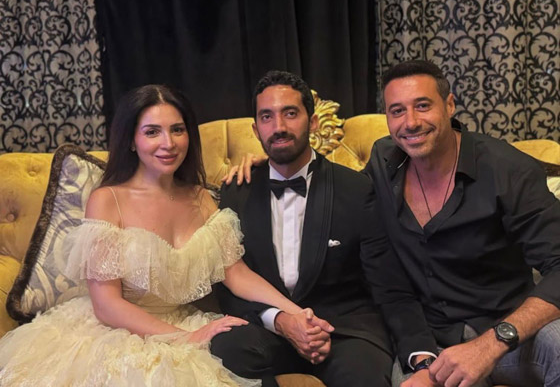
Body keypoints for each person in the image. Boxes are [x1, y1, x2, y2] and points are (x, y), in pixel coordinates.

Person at [0, 84, 320, 386]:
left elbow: (237, 274)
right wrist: (185, 338)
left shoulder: (201, 198)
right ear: (131, 140)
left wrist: (297, 313)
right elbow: (107, 305)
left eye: (177, 130)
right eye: (152, 132)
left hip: (187, 320)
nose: (168, 143)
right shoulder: (108, 200)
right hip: (120, 331)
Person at [366, 60, 560, 387]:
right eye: (397, 111)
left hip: (512, 333)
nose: (410, 122)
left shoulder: (508, 169)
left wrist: (492, 343)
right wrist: (423, 361)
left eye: (423, 106)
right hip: (432, 342)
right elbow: (385, 278)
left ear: (450, 105)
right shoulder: (382, 164)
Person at [211, 71, 393, 387]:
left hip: (341, 331)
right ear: (255, 129)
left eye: (290, 113)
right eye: (267, 117)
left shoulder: (356, 189)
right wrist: (280, 320)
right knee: (225, 351)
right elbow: (227, 283)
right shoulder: (235, 192)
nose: (278, 126)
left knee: (366, 375)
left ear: (313, 122)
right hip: (268, 330)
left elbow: (381, 280)